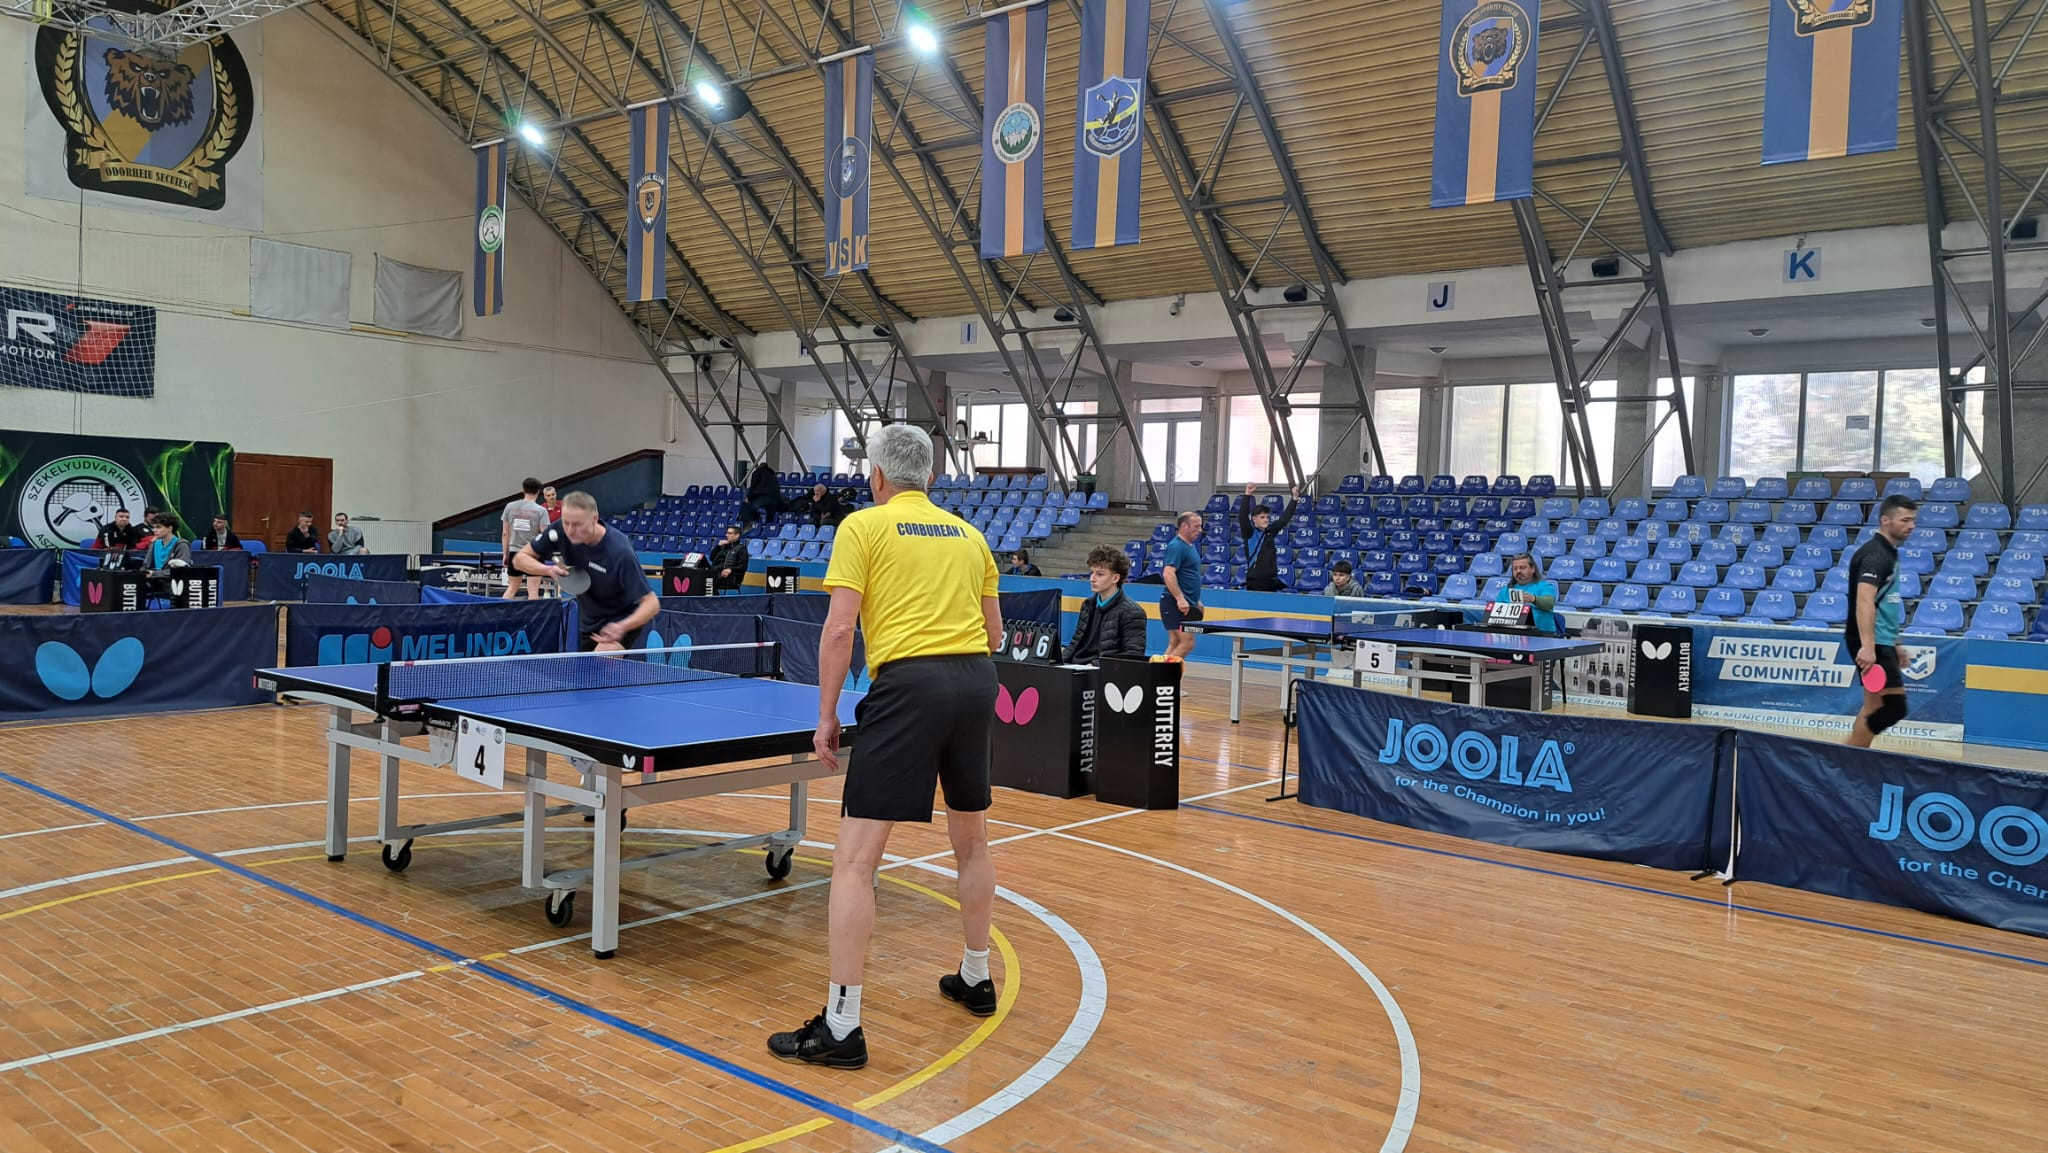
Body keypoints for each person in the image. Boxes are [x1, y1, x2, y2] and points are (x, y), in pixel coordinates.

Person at [767, 424, 1002, 1070]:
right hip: (976, 680)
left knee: (854, 862)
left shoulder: (863, 527)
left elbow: (840, 629)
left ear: (875, 475)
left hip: (909, 686)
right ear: (931, 477)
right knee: (973, 840)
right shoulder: (971, 535)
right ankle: (977, 974)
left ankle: (842, 1027)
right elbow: (994, 632)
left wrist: (826, 715)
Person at [513, 491, 659, 651]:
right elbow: (519, 559)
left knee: (603, 657)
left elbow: (652, 604)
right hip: (588, 621)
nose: (570, 530)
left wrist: (622, 627)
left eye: (577, 525)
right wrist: (548, 570)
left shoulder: (620, 552)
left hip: (620, 620)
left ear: (594, 519)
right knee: (586, 666)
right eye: (566, 523)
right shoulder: (560, 531)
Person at [1846, 495, 1919, 748]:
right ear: (1886, 521)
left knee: (1873, 707)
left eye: (1913, 520)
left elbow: (1885, 602)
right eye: (1905, 520)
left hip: (1881, 639)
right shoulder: (1876, 555)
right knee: (1893, 708)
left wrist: (1895, 642)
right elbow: (1864, 600)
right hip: (1872, 641)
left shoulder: (1889, 553)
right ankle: (1847, 755)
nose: (1911, 526)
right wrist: (1868, 646)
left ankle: (1852, 756)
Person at [1064, 545, 1147, 664]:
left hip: (1101, 670)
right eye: (1092, 572)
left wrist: (1095, 665)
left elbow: (1133, 656)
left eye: (1100, 574)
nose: (1092, 578)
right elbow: (1075, 643)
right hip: (1077, 665)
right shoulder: (1087, 604)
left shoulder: (1132, 612)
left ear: (1115, 578)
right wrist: (1058, 662)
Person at [1239, 483, 1301, 592]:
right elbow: (1242, 517)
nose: (1266, 519)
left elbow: (1284, 519)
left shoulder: (1270, 531)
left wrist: (1294, 499)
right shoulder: (1249, 533)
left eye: (1267, 517)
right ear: (1254, 519)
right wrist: (1247, 494)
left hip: (1271, 580)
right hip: (1255, 581)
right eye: (1262, 517)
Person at [1160, 511, 1205, 661]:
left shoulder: (1189, 547)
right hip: (1174, 603)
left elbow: (1188, 575)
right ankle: (1165, 672)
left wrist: (1196, 600)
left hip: (1185, 602)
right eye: (1196, 526)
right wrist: (1180, 598)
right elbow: (1168, 573)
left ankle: (1158, 672)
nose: (1200, 530)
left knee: (1176, 641)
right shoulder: (1176, 546)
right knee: (1187, 643)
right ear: (1184, 526)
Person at [500, 478, 550, 600]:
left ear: (523, 490)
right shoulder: (541, 511)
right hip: (533, 553)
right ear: (538, 491)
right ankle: (534, 614)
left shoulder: (510, 507)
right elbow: (545, 534)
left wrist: (505, 554)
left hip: (514, 552)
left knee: (512, 588)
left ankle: (500, 612)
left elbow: (505, 533)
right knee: (533, 590)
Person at [1494, 553, 1560, 634]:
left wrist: (1534, 599)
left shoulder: (1545, 586)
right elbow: (1496, 613)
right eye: (1515, 568)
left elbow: (1549, 603)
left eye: (1522, 568)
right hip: (1511, 633)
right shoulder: (1505, 590)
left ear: (1533, 569)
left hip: (1541, 634)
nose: (1518, 571)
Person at [143, 516, 192, 596]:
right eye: (153, 527)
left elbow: (181, 571)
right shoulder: (154, 544)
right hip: (153, 583)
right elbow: (145, 566)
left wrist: (154, 574)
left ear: (170, 528)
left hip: (172, 585)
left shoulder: (182, 545)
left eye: (158, 527)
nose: (154, 530)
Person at [708, 524, 751, 593]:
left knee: (706, 581)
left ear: (737, 535)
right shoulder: (724, 547)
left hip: (730, 578)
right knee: (699, 576)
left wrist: (730, 570)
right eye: (727, 533)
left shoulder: (741, 549)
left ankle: (712, 598)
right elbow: (711, 558)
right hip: (715, 573)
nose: (726, 535)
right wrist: (718, 546)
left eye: (730, 533)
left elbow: (743, 566)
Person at [742, 461, 783, 527]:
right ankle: (769, 528)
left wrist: (749, 498)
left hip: (763, 497)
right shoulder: (773, 475)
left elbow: (754, 487)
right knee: (770, 515)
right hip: (776, 499)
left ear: (759, 467)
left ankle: (751, 525)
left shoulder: (757, 472)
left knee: (747, 507)